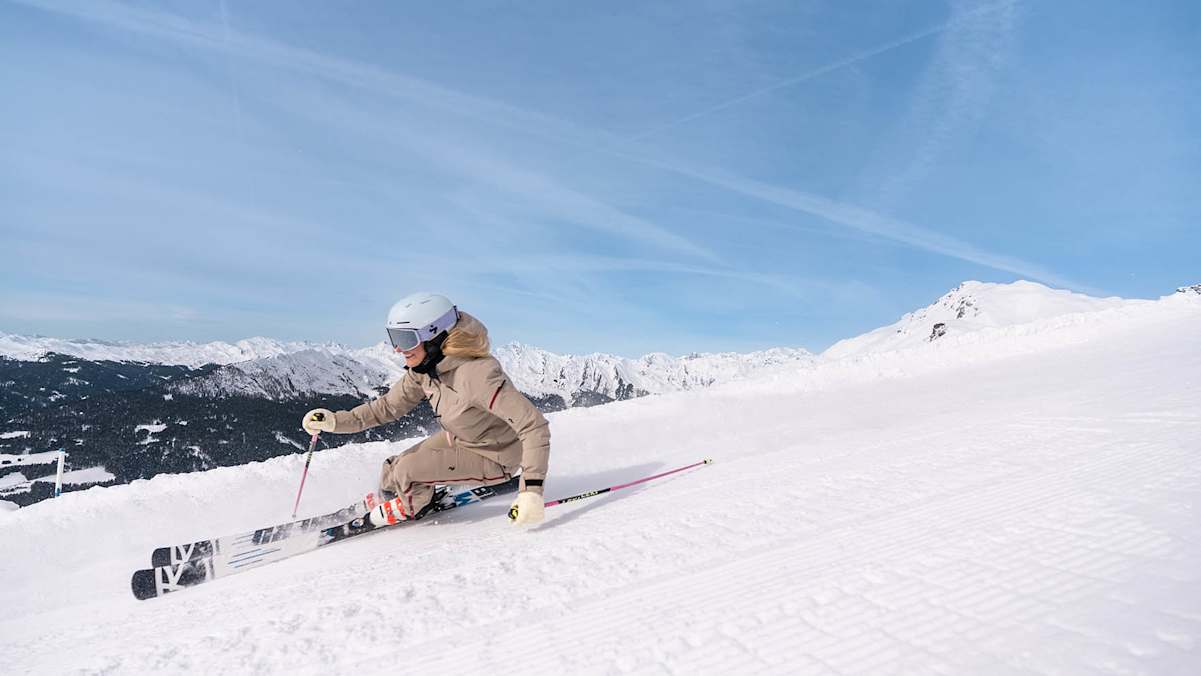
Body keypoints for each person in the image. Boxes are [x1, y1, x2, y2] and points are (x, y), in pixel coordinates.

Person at [300, 292, 549, 525]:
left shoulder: (477, 375)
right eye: (394, 338)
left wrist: (531, 492)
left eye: (406, 339)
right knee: (392, 468)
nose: (397, 348)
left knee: (407, 471)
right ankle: (392, 496)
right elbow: (386, 407)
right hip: (463, 440)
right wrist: (335, 421)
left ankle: (413, 506)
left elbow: (533, 426)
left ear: (435, 337)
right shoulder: (425, 370)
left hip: (497, 456)